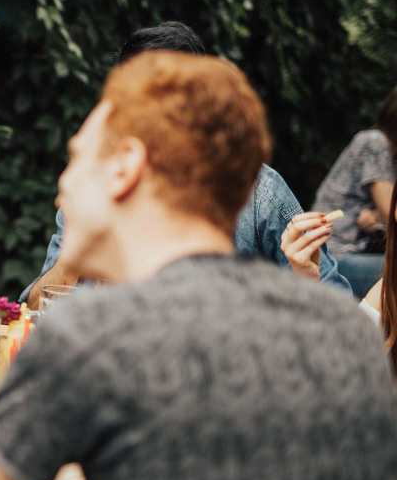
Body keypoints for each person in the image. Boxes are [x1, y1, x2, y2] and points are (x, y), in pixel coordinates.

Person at [0, 52, 397, 480]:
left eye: (76, 158)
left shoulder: (92, 335)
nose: (60, 189)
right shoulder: (348, 332)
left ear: (125, 166)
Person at [22, 22, 349, 307]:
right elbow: (36, 311)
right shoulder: (95, 189)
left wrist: (303, 275)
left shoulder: (258, 189)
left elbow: (337, 303)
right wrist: (76, 256)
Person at [311, 86, 397, 297]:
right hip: (334, 256)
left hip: (354, 251)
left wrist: (375, 217)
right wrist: (381, 216)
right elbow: (392, 213)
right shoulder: (375, 142)